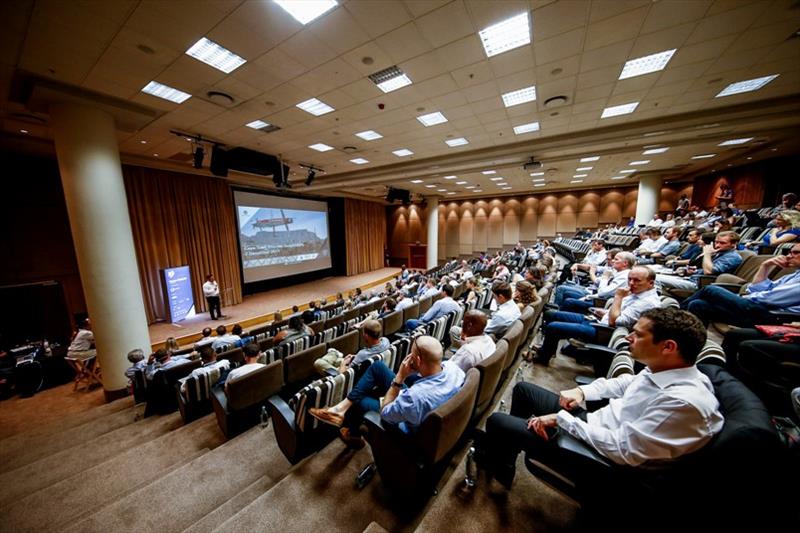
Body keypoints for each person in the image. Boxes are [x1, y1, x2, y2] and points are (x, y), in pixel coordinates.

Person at [482, 308, 724, 488]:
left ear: (668, 347)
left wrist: (562, 420)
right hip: (597, 423)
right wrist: (583, 392)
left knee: (497, 422)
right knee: (524, 389)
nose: (629, 337)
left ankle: (502, 451)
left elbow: (623, 451)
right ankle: (506, 458)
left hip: (599, 455)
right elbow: (625, 383)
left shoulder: (683, 403)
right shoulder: (665, 369)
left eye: (638, 335)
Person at [308, 336, 465, 448]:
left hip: (405, 426)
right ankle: (339, 409)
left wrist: (400, 378)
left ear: (416, 361)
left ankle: (353, 436)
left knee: (361, 401)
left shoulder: (415, 397)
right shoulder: (455, 369)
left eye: (410, 354)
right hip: (424, 403)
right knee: (378, 367)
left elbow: (386, 413)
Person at [533, 266, 661, 365]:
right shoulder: (638, 292)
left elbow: (615, 322)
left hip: (604, 331)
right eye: (630, 279)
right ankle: (547, 348)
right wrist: (604, 312)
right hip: (599, 320)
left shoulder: (647, 302)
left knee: (553, 327)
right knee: (551, 314)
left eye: (637, 280)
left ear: (651, 283)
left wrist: (618, 297)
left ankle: (543, 357)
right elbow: (619, 312)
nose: (632, 283)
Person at [681, 243, 800, 326]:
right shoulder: (794, 275)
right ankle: (692, 345)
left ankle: (671, 318)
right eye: (790, 252)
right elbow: (755, 288)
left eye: (795, 253)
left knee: (710, 290)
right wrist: (765, 266)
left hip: (776, 316)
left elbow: (770, 299)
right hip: (760, 309)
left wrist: (742, 297)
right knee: (698, 304)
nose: (789, 256)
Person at [656, 231, 742, 292]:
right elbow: (704, 270)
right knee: (653, 275)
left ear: (734, 244)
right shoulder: (719, 253)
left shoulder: (733, 257)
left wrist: (707, 254)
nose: (717, 245)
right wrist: (690, 270)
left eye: (722, 243)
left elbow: (708, 272)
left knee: (654, 279)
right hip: (691, 278)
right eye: (716, 242)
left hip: (701, 285)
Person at [554, 251, 634, 308]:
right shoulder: (616, 271)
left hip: (599, 301)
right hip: (594, 292)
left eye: (616, 259)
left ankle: (556, 312)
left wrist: (605, 278)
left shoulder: (624, 277)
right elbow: (597, 277)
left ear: (625, 263)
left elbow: (602, 292)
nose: (613, 261)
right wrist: (578, 264)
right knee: (565, 286)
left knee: (562, 290)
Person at [313, 319, 391, 375]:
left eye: (363, 333)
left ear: (366, 336)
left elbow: (343, 375)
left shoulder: (362, 354)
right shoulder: (386, 341)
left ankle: (333, 354)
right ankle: (334, 355)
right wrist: (355, 357)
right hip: (368, 367)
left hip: (351, 375)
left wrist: (344, 363)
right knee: (338, 360)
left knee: (318, 362)